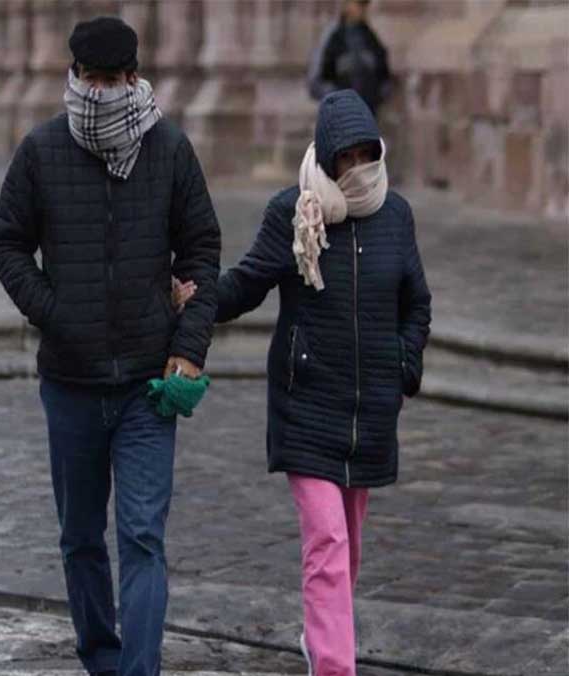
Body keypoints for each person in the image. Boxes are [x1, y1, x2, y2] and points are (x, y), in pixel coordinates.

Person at [0, 17, 221, 676]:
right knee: (80, 539)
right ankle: (101, 659)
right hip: (70, 380)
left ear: (133, 77)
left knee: (142, 536)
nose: (104, 93)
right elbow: (5, 241)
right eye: (92, 79)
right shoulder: (41, 150)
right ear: (75, 77)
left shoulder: (169, 149)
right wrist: (53, 312)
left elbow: (201, 249)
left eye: (115, 80)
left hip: (149, 384)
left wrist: (190, 346)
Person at [177, 89, 431, 676]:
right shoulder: (294, 212)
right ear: (327, 155)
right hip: (307, 404)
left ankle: (320, 637)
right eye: (347, 157)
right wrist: (198, 300)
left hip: (369, 414)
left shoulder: (396, 216)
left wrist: (404, 365)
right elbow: (248, 282)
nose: (357, 169)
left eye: (367, 154)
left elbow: (416, 303)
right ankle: (335, 666)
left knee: (349, 548)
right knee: (329, 545)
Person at [308, 0, 392, 115]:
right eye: (358, 4)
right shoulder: (332, 37)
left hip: (367, 116)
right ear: (346, 4)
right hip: (340, 118)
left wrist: (375, 96)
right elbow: (315, 82)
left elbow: (384, 77)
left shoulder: (370, 37)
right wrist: (338, 99)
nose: (362, 9)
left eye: (364, 5)